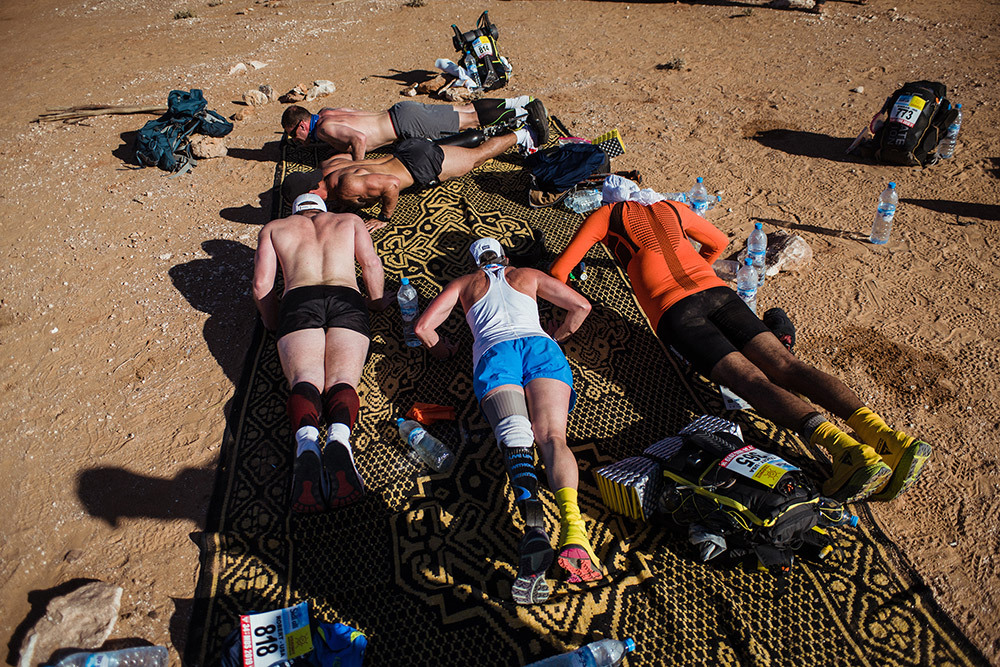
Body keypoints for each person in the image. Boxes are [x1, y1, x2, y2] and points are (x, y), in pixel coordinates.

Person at [549, 199, 931, 504]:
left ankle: (844, 450)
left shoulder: (604, 214)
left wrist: (562, 310)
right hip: (719, 293)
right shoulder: (672, 207)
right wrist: (702, 268)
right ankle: (887, 439)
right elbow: (716, 240)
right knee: (786, 363)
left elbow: (561, 270)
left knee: (748, 380)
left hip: (676, 312)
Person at [414, 238, 603, 605]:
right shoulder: (527, 275)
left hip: (495, 352)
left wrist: (443, 349)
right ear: (505, 258)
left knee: (515, 437)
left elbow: (423, 328)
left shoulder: (463, 285)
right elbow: (581, 305)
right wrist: (556, 335)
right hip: (539, 346)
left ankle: (534, 525)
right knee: (553, 438)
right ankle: (575, 530)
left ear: (475, 263)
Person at [252, 193, 393, 513]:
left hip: (299, 300)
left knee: (306, 379)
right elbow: (371, 263)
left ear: (294, 211)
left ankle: (306, 444)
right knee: (342, 379)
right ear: (323, 209)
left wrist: (273, 323)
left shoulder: (274, 228)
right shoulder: (349, 221)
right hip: (346, 297)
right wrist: (376, 301)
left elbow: (262, 285)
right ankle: (339, 439)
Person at [281, 114, 547, 231]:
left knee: (477, 159)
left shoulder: (345, 187)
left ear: (313, 190)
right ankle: (503, 130)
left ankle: (524, 134)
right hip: (405, 151)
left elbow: (391, 184)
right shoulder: (330, 168)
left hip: (418, 166)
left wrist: (385, 218)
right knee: (455, 148)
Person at [281, 97, 545, 159]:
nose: (296, 139)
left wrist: (355, 166)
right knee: (466, 110)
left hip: (404, 125)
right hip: (400, 111)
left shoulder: (324, 129)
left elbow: (359, 139)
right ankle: (519, 102)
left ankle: (524, 112)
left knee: (470, 121)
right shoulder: (326, 113)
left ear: (304, 125)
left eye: (295, 133)